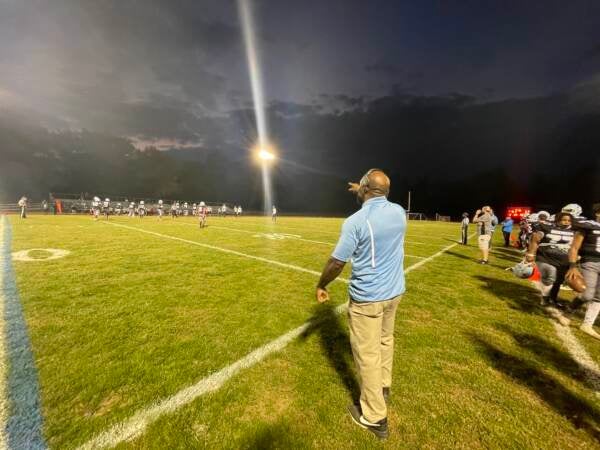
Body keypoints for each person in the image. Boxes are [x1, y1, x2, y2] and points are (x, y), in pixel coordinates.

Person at [315, 168, 406, 440]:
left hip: (368, 297)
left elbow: (337, 262)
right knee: (385, 340)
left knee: (367, 355)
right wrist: (363, 188)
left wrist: (322, 284)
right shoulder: (399, 211)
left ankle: (374, 417)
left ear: (366, 188)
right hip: (394, 292)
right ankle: (384, 388)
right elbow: (376, 197)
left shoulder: (356, 221)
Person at [526, 212, 574, 306]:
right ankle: (545, 297)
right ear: (558, 220)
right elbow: (535, 239)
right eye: (564, 220)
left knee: (558, 281)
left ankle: (553, 298)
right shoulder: (546, 227)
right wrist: (531, 254)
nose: (566, 222)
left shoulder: (574, 231)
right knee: (551, 275)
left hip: (564, 260)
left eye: (569, 220)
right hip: (545, 257)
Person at [566, 203, 600, 339]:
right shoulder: (587, 226)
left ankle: (587, 325)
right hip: (590, 262)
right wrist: (572, 266)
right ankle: (569, 311)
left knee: (599, 297)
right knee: (587, 295)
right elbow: (574, 247)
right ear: (597, 213)